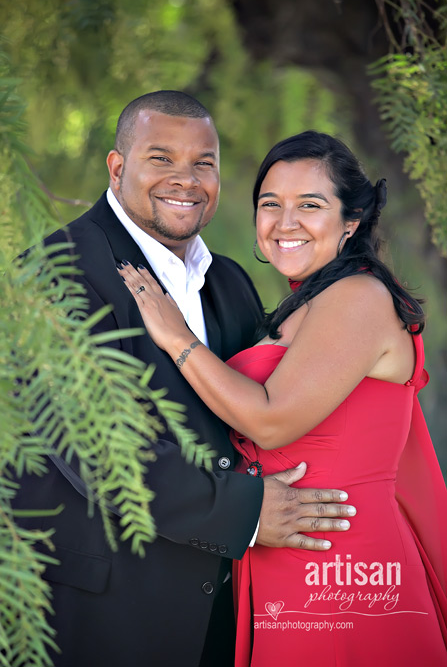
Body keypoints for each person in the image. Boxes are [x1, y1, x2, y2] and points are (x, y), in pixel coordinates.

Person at [12, 94, 356, 667]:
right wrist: (242, 513)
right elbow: (94, 443)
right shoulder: (55, 270)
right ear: (118, 168)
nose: (187, 180)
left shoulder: (230, 282)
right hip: (106, 616)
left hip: (224, 616)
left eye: (205, 163)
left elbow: (260, 413)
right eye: (162, 158)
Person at [119, 130, 447, 666]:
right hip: (289, 552)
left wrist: (177, 336)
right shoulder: (304, 304)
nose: (285, 222)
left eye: (310, 205)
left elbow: (271, 422)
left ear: (351, 221)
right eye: (270, 204)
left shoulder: (359, 296)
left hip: (342, 566)